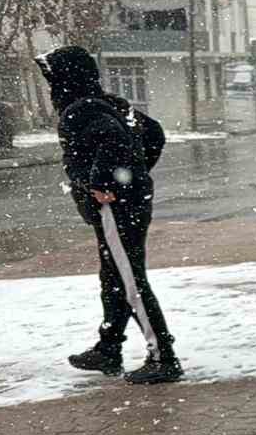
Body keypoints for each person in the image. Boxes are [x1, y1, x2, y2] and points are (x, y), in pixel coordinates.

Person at [39, 46, 182, 386]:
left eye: (52, 76)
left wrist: (104, 182)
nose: (50, 84)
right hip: (129, 202)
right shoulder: (110, 103)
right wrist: (135, 174)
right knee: (114, 278)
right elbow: (153, 133)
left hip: (115, 208)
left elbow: (114, 140)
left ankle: (164, 357)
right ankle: (109, 349)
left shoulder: (80, 110)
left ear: (64, 78)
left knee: (129, 281)